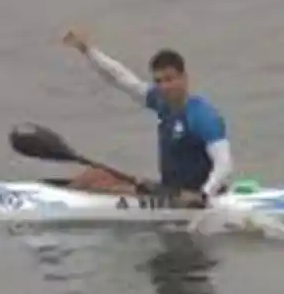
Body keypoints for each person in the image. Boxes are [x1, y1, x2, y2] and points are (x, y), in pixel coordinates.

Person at [62, 27, 233, 207]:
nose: (164, 86)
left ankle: (63, 206)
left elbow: (224, 164)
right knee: (93, 175)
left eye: (170, 79)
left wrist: (204, 195)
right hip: (169, 190)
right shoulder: (161, 102)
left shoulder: (202, 116)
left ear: (184, 78)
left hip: (193, 197)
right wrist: (88, 51)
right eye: (158, 81)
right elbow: (120, 78)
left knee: (99, 186)